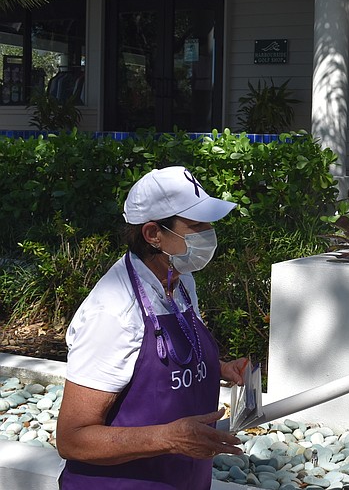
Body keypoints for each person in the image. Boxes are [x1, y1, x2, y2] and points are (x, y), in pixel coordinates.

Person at [56, 165, 249, 489]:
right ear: (153, 234)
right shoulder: (115, 312)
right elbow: (72, 439)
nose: (209, 232)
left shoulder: (180, 279)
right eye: (197, 224)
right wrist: (168, 438)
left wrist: (218, 368)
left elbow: (163, 364)